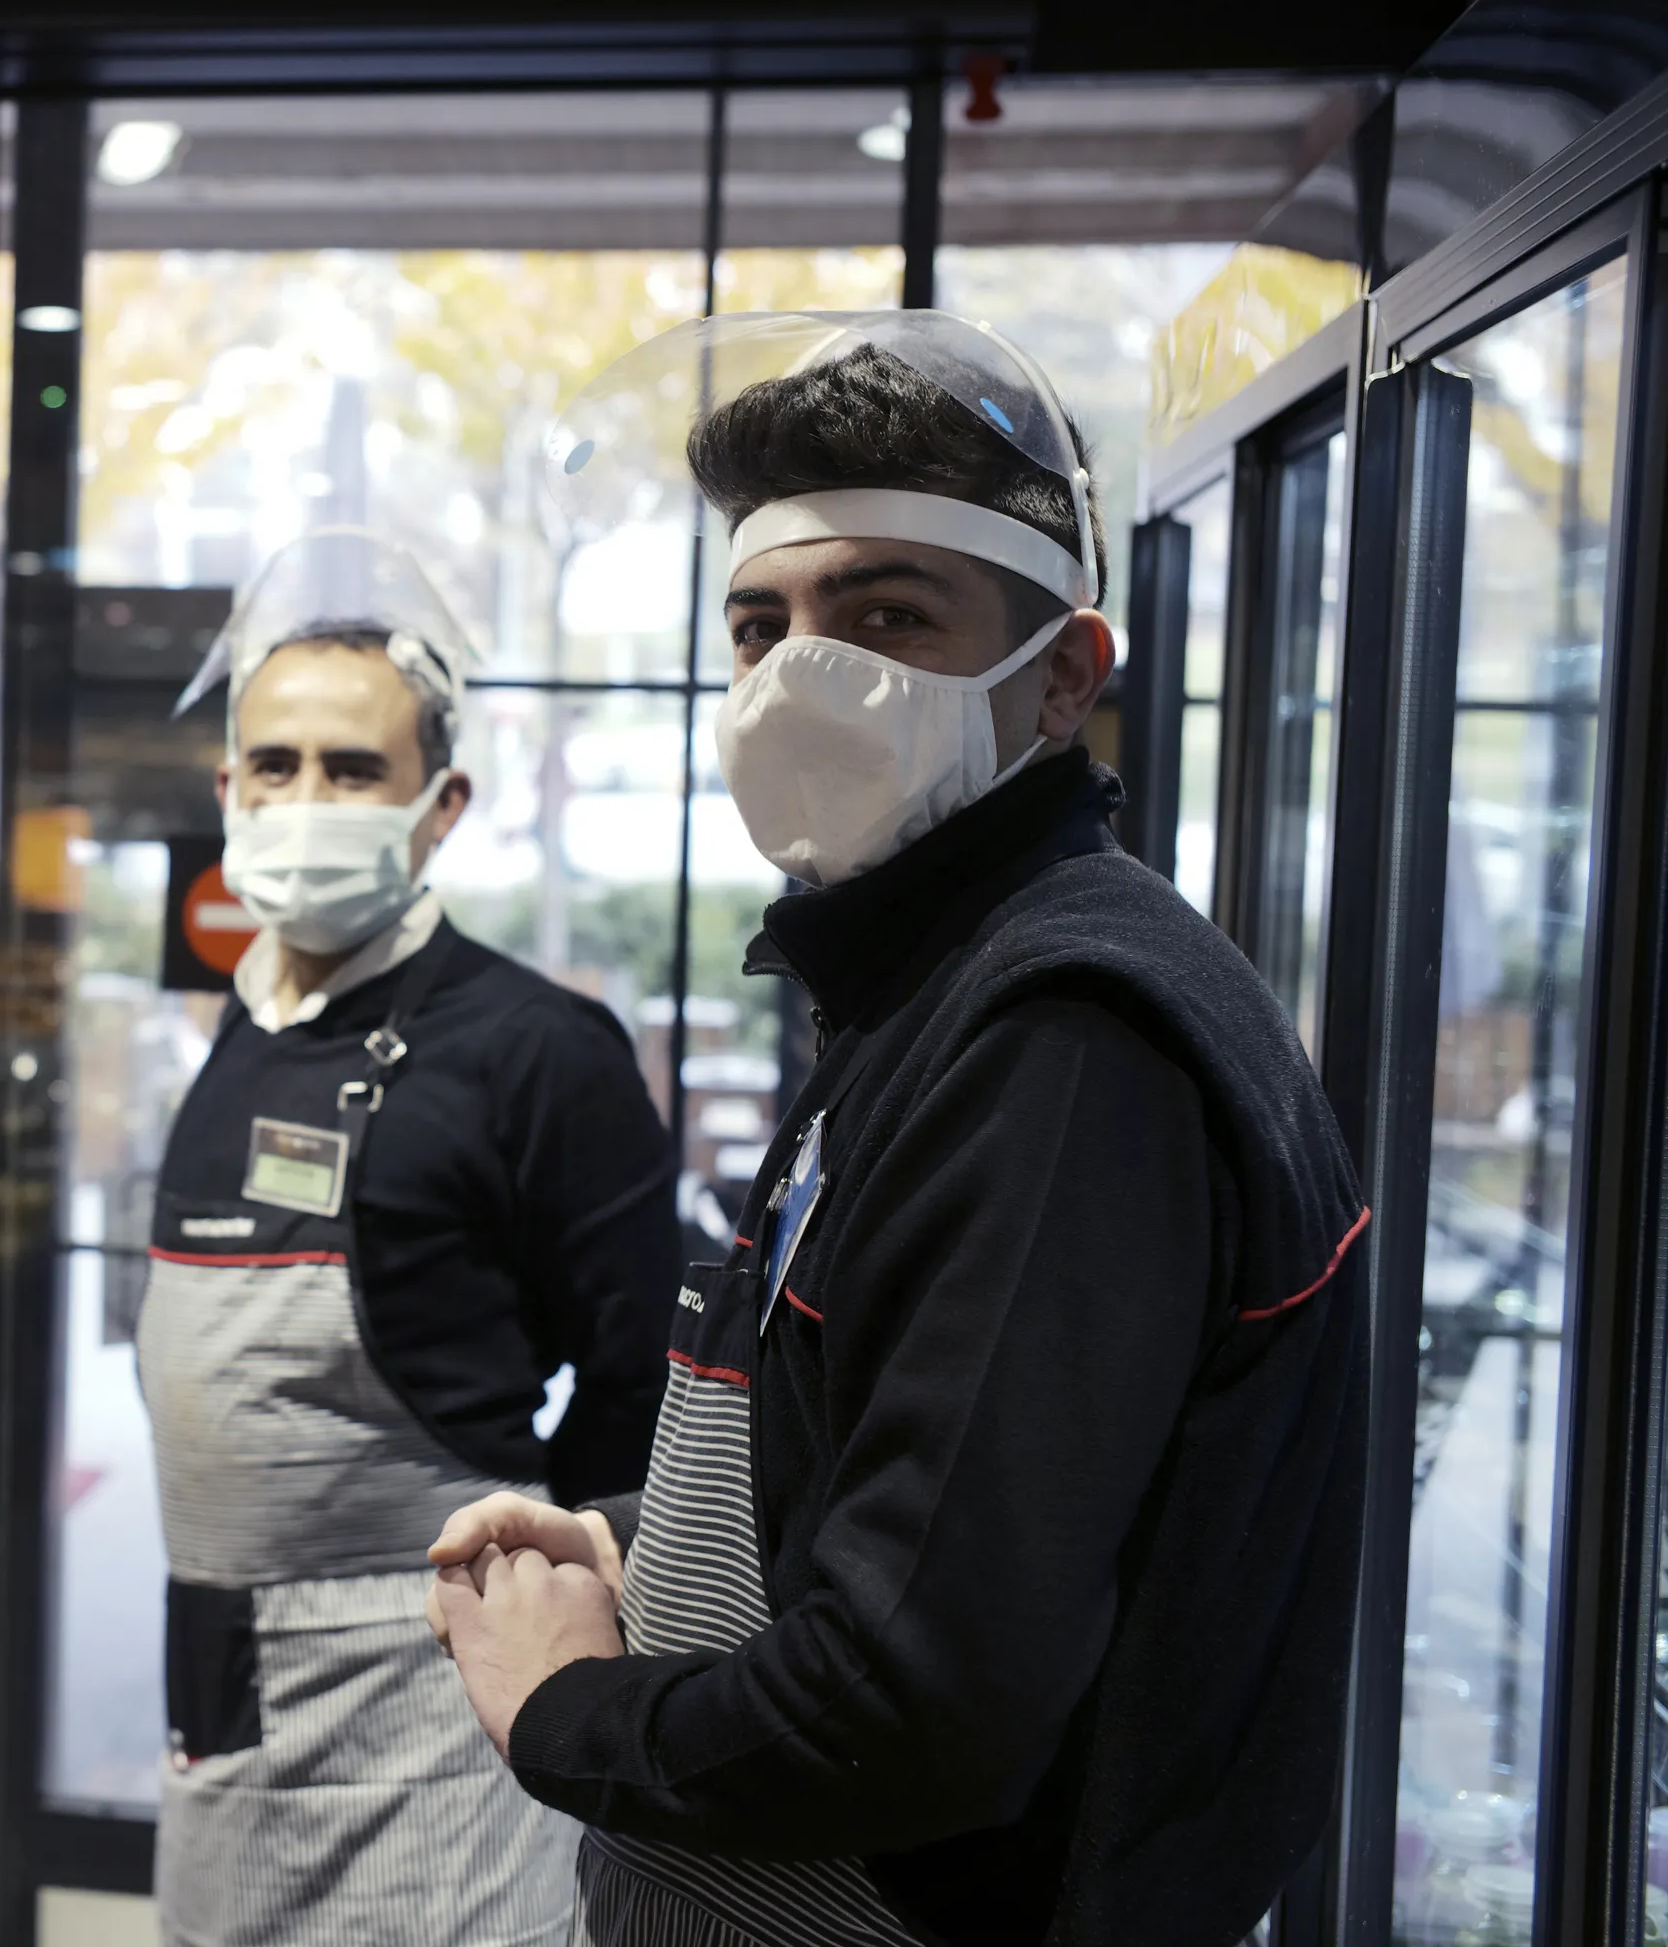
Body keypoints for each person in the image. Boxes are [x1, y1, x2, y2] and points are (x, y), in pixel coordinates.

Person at [428, 318, 1368, 1947]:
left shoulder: (1064, 1044)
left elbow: (913, 1698)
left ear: (1064, 676)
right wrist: (645, 1554)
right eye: (760, 625)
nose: (801, 676)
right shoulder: (919, 980)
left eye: (887, 616)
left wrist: (565, 1707)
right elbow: (903, 1487)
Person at [141, 528, 678, 1947]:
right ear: (228, 791)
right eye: (274, 765)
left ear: (441, 806)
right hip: (226, 1679)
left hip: (439, 1710)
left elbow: (645, 1375)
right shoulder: (239, 1027)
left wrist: (567, 1627)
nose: (304, 799)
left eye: (352, 769)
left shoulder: (537, 1050)